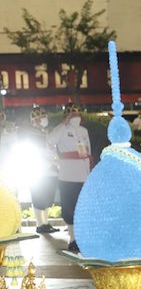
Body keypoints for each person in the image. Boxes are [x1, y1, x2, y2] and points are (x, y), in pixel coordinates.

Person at [47, 103, 92, 252]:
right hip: (67, 174)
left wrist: (89, 171)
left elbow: (87, 151)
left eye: (78, 115)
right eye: (72, 115)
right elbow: (51, 140)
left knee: (82, 207)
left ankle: (83, 237)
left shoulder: (84, 131)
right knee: (69, 207)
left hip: (83, 174)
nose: (76, 118)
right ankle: (72, 239)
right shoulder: (61, 130)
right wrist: (63, 124)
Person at [19, 107, 59, 233]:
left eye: (44, 117)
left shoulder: (48, 133)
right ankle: (40, 224)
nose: (44, 120)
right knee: (38, 197)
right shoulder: (31, 135)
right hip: (38, 171)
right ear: (35, 121)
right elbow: (37, 153)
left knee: (48, 197)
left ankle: (46, 223)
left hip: (51, 170)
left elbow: (52, 149)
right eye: (41, 118)